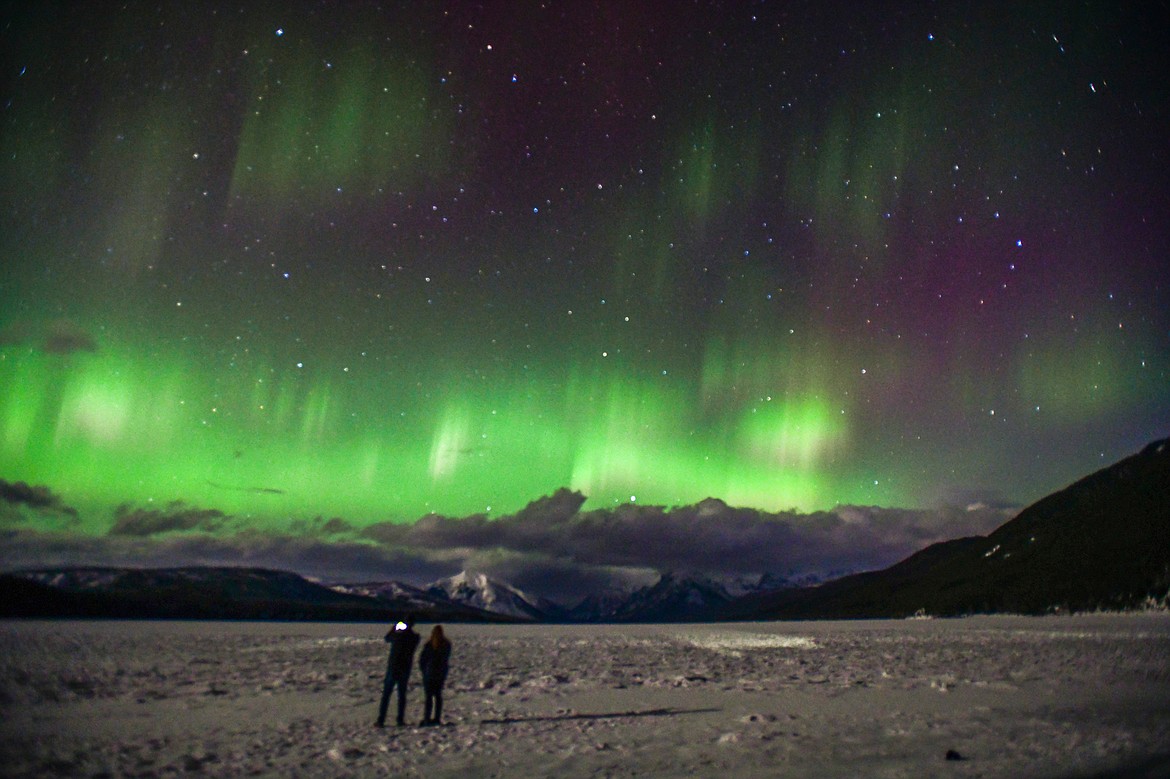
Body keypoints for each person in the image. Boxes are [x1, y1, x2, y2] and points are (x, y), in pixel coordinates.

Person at [375, 616, 420, 727]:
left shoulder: (398, 634)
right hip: (405, 668)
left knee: (386, 694)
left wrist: (396, 627)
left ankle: (381, 719)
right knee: (401, 695)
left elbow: (387, 638)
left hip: (393, 667)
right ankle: (400, 719)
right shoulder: (414, 637)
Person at [418, 624, 452, 726]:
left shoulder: (429, 645)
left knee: (429, 697)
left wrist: (424, 670)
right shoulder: (446, 645)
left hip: (430, 674)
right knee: (437, 696)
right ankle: (436, 718)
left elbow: (422, 660)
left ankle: (427, 718)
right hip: (440, 674)